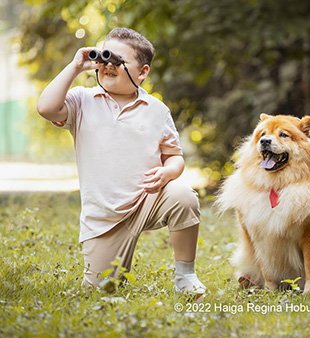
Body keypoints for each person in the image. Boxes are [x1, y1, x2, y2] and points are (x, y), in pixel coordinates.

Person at [36, 27, 206, 295]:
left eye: (119, 61)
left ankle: (185, 275)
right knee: (102, 290)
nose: (108, 65)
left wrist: (167, 173)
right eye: (105, 58)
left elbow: (175, 157)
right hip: (104, 218)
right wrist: (75, 66)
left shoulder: (157, 111)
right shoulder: (83, 100)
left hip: (147, 200)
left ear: (143, 72)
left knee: (183, 196)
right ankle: (107, 270)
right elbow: (46, 108)